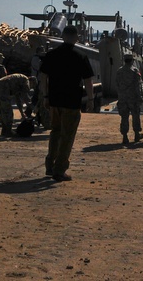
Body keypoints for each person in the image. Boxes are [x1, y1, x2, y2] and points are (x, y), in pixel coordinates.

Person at [39, 26, 95, 182]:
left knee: (55, 133)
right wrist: (90, 99)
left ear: (63, 36)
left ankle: (50, 166)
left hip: (54, 101)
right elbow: (88, 80)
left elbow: (43, 76)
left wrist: (45, 96)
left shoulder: (51, 55)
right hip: (71, 102)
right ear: (76, 38)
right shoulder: (80, 56)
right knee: (67, 136)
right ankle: (59, 169)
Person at [115, 54, 143, 145]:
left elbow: (117, 85)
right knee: (135, 116)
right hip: (133, 98)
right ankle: (136, 134)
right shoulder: (135, 71)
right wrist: (139, 97)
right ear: (132, 60)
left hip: (123, 98)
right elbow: (137, 86)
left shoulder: (119, 71)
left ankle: (125, 137)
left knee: (124, 117)